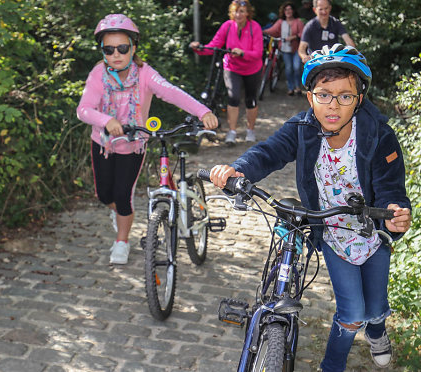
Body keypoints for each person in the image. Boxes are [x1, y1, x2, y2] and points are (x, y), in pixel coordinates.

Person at [209, 44, 412, 371]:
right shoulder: (302, 130)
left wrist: (396, 213)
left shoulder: (378, 136)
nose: (333, 105)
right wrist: (238, 169)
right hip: (331, 232)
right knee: (352, 313)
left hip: (372, 232)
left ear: (359, 99)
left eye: (345, 96)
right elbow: (268, 152)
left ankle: (377, 329)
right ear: (309, 97)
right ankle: (331, 366)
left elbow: (391, 188)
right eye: (324, 94)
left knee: (375, 305)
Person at [77, 14, 218, 265]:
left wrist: (202, 111)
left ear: (133, 48)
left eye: (122, 48)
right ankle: (120, 214)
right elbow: (84, 109)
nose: (116, 54)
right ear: (102, 51)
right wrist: (106, 121)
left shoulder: (144, 73)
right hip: (103, 143)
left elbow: (171, 92)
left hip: (133, 146)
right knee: (103, 194)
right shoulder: (98, 73)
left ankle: (122, 240)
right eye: (109, 50)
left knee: (123, 195)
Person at [189, 0, 263, 145]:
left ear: (248, 13)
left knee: (251, 100)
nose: (238, 14)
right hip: (232, 66)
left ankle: (250, 130)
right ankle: (232, 131)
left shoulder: (255, 27)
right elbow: (214, 45)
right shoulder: (227, 26)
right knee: (233, 97)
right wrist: (199, 48)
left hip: (252, 68)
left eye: (241, 11)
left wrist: (243, 53)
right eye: (236, 11)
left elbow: (258, 53)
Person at [264, 1, 304, 95]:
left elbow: (303, 34)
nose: (288, 11)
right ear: (283, 11)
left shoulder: (298, 22)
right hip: (285, 50)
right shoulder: (280, 22)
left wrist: (293, 37)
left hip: (296, 49)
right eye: (286, 9)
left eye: (290, 9)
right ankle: (290, 88)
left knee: (297, 67)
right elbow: (272, 30)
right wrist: (262, 31)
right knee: (289, 69)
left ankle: (297, 87)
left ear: (293, 11)